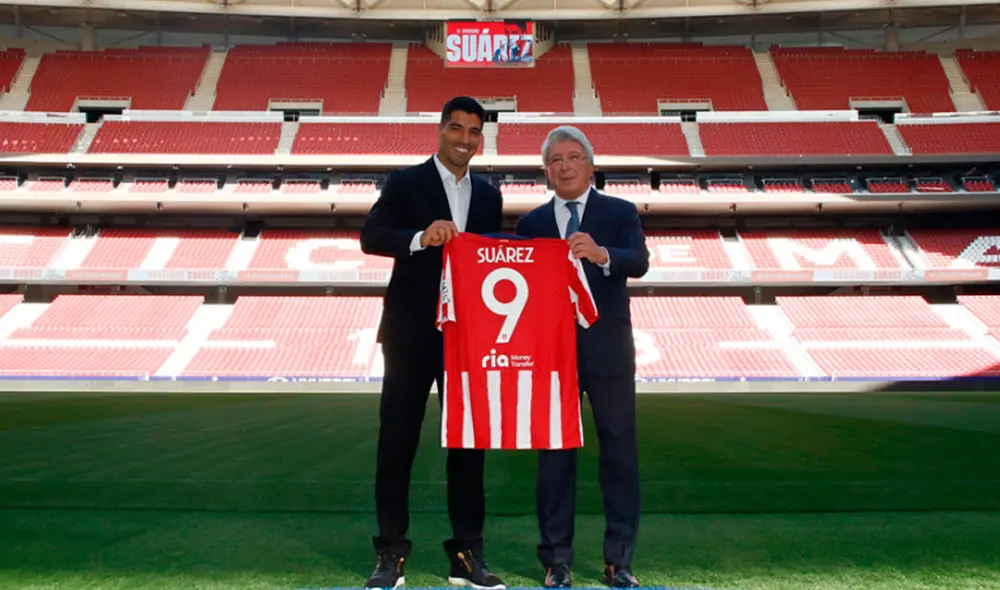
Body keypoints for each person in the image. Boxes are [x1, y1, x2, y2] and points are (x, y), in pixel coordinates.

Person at [359, 96, 506, 590]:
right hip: (410, 332)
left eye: (474, 132)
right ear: (440, 130)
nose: (465, 140)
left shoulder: (489, 195)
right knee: (396, 441)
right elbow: (372, 235)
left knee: (469, 445)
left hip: (468, 335)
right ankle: (389, 554)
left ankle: (466, 554)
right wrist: (422, 237)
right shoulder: (405, 181)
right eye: (457, 129)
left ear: (481, 138)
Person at [514, 126, 649, 589]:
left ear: (590, 166)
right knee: (554, 459)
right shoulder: (530, 224)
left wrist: (601, 253)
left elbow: (639, 260)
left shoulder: (620, 211)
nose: (565, 166)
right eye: (556, 160)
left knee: (619, 456)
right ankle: (556, 561)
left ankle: (620, 561)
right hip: (551, 355)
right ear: (546, 171)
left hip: (608, 352)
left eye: (574, 157)